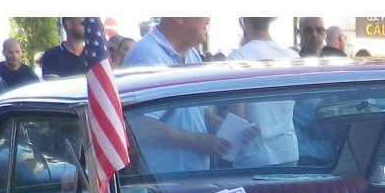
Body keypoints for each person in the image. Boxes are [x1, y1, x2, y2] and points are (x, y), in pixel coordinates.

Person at [122, 18, 230, 173]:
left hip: (192, 178)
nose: (208, 20)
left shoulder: (192, 55)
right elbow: (141, 126)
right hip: (162, 184)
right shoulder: (146, 56)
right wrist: (197, 141)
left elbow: (197, 111)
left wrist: (231, 129)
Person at [228, 18, 297, 167]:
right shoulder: (292, 57)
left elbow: (236, 119)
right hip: (288, 151)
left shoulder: (239, 58)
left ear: (243, 21)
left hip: (253, 157)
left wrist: (223, 151)